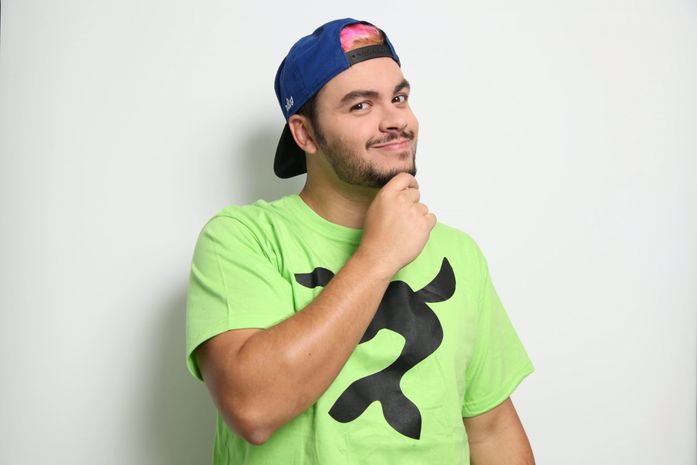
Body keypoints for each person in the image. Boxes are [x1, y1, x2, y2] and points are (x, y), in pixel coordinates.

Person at [185, 17, 535, 465]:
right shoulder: (244, 238)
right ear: (305, 134)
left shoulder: (457, 253)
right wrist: (378, 256)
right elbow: (253, 409)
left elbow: (492, 433)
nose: (395, 120)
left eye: (399, 98)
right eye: (361, 106)